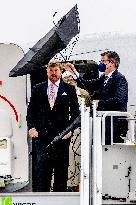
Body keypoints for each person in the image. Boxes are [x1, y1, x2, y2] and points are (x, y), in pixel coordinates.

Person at [27, 61, 80, 192]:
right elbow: (31, 112)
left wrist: (70, 131)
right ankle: (42, 201)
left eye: (56, 70)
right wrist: (32, 128)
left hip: (62, 138)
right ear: (47, 72)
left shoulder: (69, 89)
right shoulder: (37, 88)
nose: (53, 73)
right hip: (42, 138)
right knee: (42, 173)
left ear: (60, 71)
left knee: (61, 175)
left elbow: (76, 114)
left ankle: (59, 201)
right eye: (51, 71)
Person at [63, 51, 128, 144]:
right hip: (103, 123)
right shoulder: (104, 78)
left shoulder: (119, 78)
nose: (100, 64)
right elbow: (87, 85)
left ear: (111, 63)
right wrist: (74, 72)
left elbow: (119, 99)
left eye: (103, 61)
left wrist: (100, 103)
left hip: (114, 124)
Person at [62, 70, 91, 191]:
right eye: (66, 80)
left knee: (75, 156)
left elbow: (87, 113)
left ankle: (74, 184)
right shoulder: (61, 93)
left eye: (70, 79)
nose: (69, 81)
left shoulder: (83, 93)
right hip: (63, 130)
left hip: (78, 129)